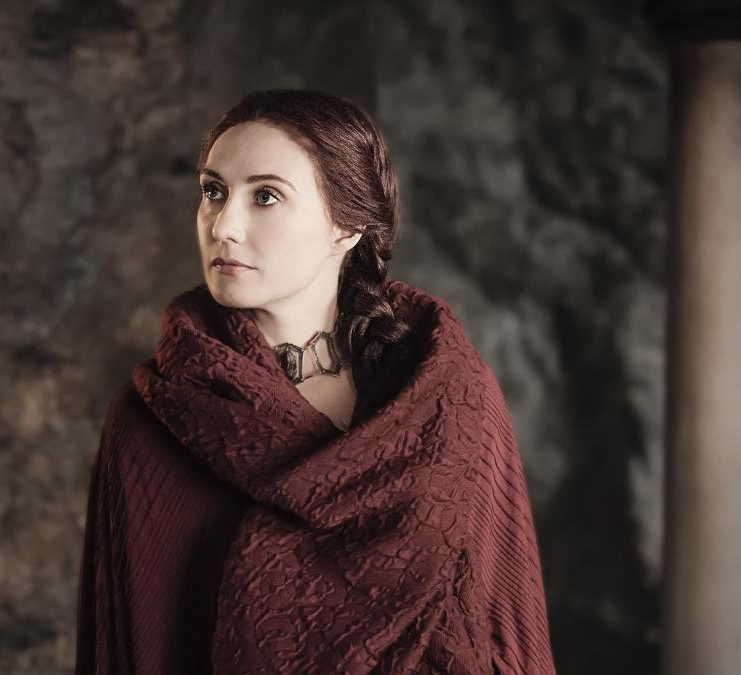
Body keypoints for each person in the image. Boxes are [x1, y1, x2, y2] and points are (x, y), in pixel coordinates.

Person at [76, 89, 555, 674]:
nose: (223, 225)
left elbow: (505, 620)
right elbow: (128, 650)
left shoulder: (450, 396)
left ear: (346, 226)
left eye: (266, 196)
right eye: (213, 191)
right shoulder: (153, 418)